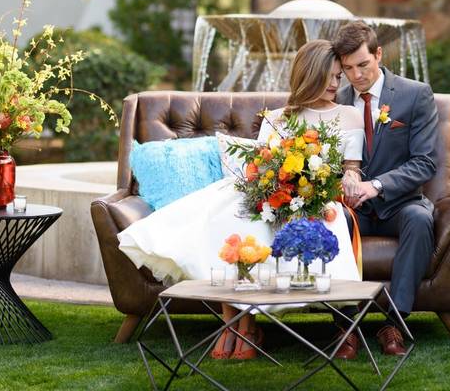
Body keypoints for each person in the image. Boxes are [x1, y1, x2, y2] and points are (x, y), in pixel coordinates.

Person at [117, 39, 364, 360]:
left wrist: (348, 178)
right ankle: (236, 324)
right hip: (273, 191)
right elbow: (261, 167)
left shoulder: (349, 116)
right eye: (328, 77)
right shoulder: (278, 117)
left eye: (338, 77)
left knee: (260, 218)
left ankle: (241, 328)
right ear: (309, 76)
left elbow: (352, 169)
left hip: (317, 196)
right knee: (233, 213)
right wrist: (274, 187)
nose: (335, 84)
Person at [332, 20, 438, 359]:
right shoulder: (335, 98)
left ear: (379, 54)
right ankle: (344, 326)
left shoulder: (415, 94)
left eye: (363, 64)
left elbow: (425, 163)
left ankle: (394, 323)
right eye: (348, 68)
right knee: (330, 223)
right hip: (354, 209)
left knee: (420, 220)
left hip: (399, 203)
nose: (356, 75)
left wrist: (376, 186)